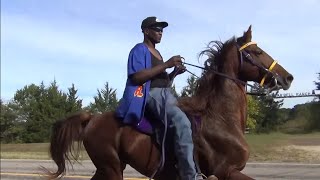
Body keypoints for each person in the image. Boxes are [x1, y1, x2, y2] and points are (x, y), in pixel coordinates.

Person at [116, 16, 217, 180]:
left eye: (162, 29)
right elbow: (137, 77)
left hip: (165, 93)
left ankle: (188, 164)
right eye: (156, 28)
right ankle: (190, 177)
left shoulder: (158, 53)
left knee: (194, 118)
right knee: (181, 122)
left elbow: (162, 81)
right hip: (150, 94)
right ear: (146, 31)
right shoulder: (139, 49)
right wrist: (167, 64)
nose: (160, 32)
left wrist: (174, 73)